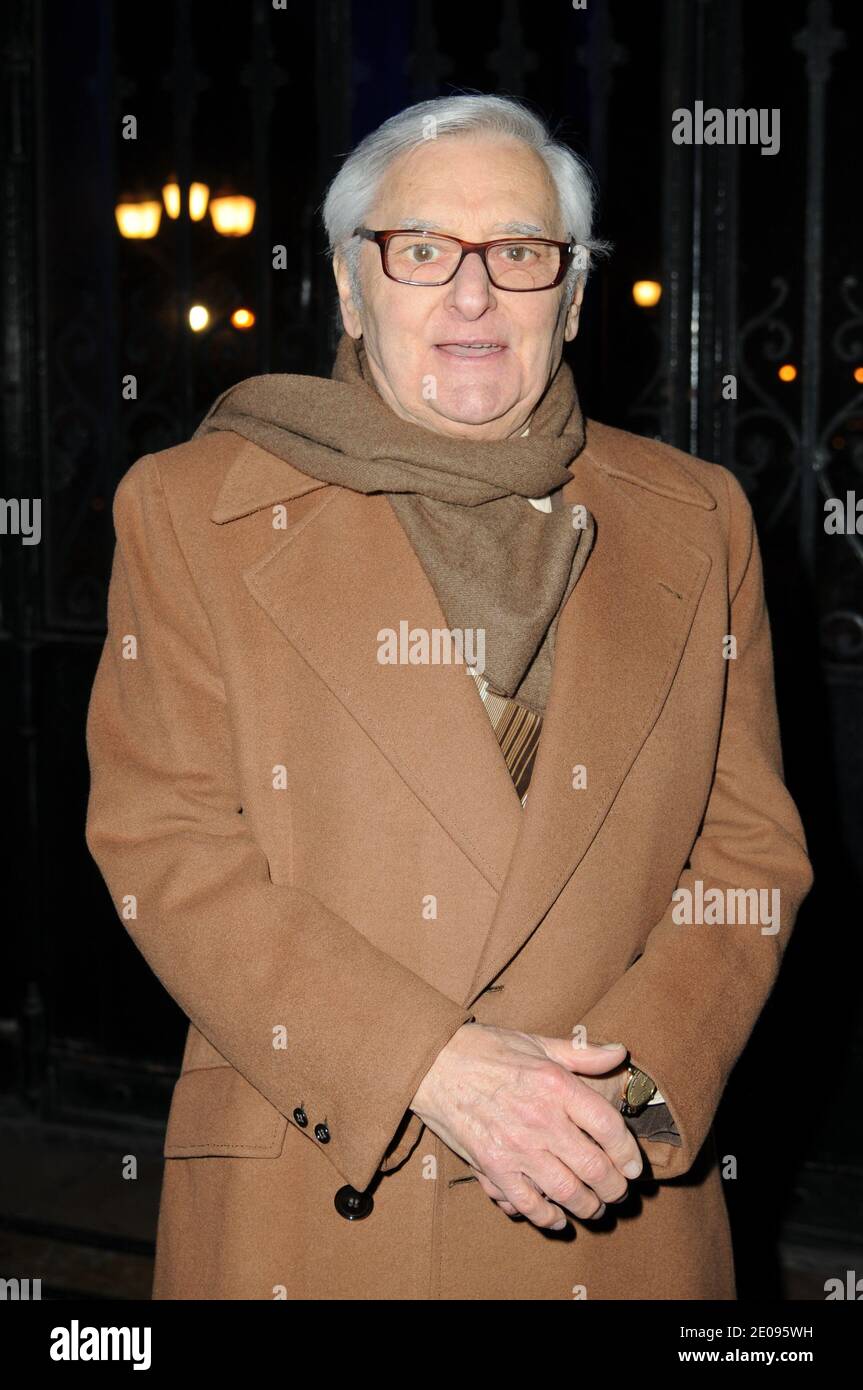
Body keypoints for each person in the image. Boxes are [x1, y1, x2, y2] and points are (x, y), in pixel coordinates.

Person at [85, 93, 813, 1300]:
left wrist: (622, 1090)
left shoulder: (697, 519)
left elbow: (747, 850)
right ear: (350, 284)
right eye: (420, 250)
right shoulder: (188, 508)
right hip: (316, 1187)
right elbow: (161, 847)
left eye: (518, 255)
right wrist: (428, 1064)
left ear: (570, 296)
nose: (471, 297)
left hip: (602, 1194)